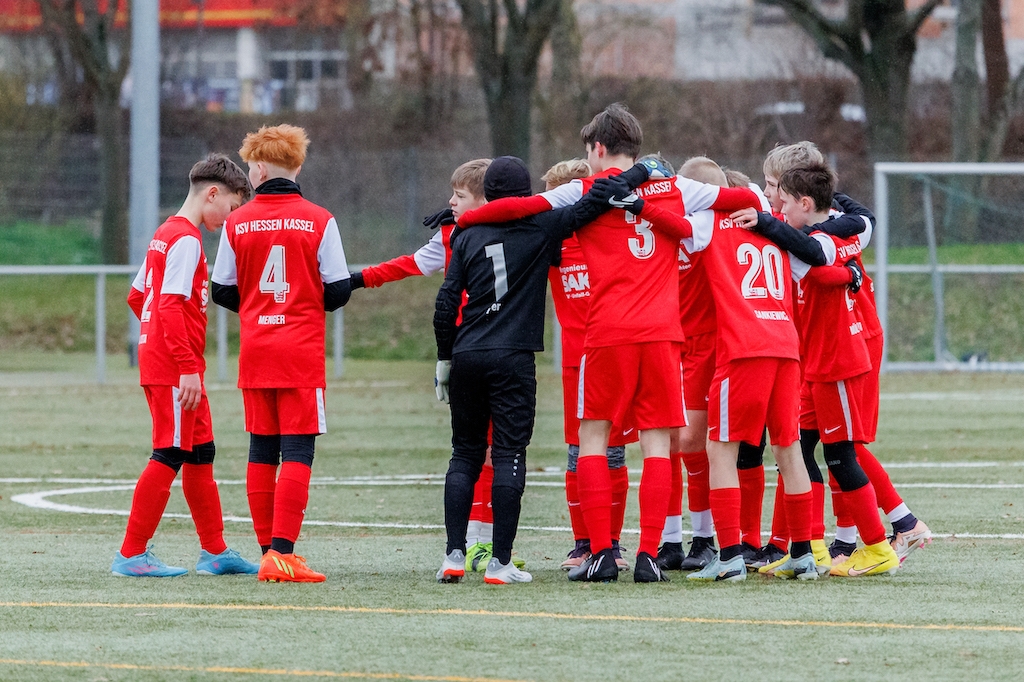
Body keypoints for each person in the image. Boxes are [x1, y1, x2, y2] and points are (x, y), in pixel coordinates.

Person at [432, 156, 643, 585]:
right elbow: (596, 200)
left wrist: (444, 357)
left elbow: (446, 303)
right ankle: (500, 562)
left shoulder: (466, 233)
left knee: (464, 454)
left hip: (468, 353)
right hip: (513, 356)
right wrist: (640, 172)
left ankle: (454, 555)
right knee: (509, 453)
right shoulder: (542, 226)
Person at [348, 158, 512, 573]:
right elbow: (411, 263)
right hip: (478, 350)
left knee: (483, 449)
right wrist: (359, 279)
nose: (450, 202)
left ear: (485, 199)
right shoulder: (455, 233)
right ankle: (477, 542)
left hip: (484, 347)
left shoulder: (510, 228)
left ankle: (475, 542)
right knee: (483, 448)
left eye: (459, 195)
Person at [211, 124, 352, 583]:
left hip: (257, 350)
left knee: (262, 448)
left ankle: (267, 552)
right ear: (296, 167)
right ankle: (283, 553)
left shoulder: (237, 222)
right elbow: (338, 290)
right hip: (300, 351)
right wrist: (300, 304)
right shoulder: (320, 219)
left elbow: (221, 289)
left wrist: (259, 308)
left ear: (258, 168)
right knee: (297, 449)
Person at [113, 153, 257, 578]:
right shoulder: (186, 240)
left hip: (174, 362)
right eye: (231, 206)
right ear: (212, 193)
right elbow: (170, 305)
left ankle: (215, 551)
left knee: (200, 452)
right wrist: (184, 363)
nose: (230, 218)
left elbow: (138, 296)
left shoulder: (166, 233)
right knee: (171, 451)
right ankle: (131, 554)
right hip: (177, 368)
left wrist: (156, 340)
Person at [541, 159, 638, 572]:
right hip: (575, 360)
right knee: (577, 451)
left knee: (613, 452)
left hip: (613, 352)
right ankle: (583, 543)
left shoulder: (609, 237)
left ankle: (610, 543)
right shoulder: (552, 242)